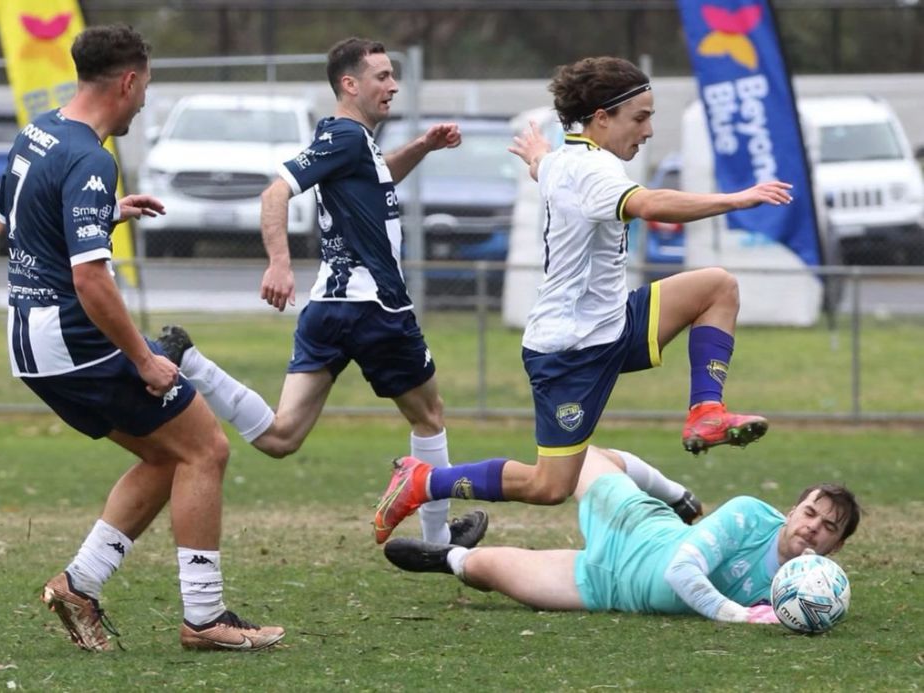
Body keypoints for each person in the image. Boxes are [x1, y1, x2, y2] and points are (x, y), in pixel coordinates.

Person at [373, 55, 793, 543]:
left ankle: (706, 412)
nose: (649, 130)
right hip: (570, 351)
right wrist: (737, 200)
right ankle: (423, 479)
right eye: (640, 117)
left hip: (614, 322)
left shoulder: (564, 158)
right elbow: (649, 204)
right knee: (549, 487)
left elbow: (543, 169)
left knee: (718, 286)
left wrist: (535, 153)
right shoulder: (593, 171)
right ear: (602, 118)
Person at [0, 24, 283, 652]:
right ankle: (205, 619)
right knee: (206, 447)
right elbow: (91, 279)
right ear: (127, 81)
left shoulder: (36, 133)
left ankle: (80, 584)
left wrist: (104, 213)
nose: (146, 99)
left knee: (167, 454)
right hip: (72, 336)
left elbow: (9, 223)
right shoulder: (91, 157)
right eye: (146, 85)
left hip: (29, 340)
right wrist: (144, 359)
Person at [155, 36, 486, 549]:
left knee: (281, 436)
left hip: (329, 307)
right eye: (381, 76)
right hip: (375, 305)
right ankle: (437, 541)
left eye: (393, 75)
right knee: (429, 416)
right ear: (349, 85)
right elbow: (275, 190)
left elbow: (377, 180)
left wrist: (421, 146)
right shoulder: (348, 138)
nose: (393, 85)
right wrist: (279, 263)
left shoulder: (352, 142)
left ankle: (190, 361)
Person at [384, 446, 862, 623]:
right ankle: (677, 493)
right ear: (790, 510)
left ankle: (447, 554)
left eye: (827, 527)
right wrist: (738, 616)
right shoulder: (749, 516)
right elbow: (680, 571)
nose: (812, 527)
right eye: (809, 512)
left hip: (608, 586)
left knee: (485, 570)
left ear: (835, 547)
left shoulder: (809, 588)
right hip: (635, 526)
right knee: (580, 458)